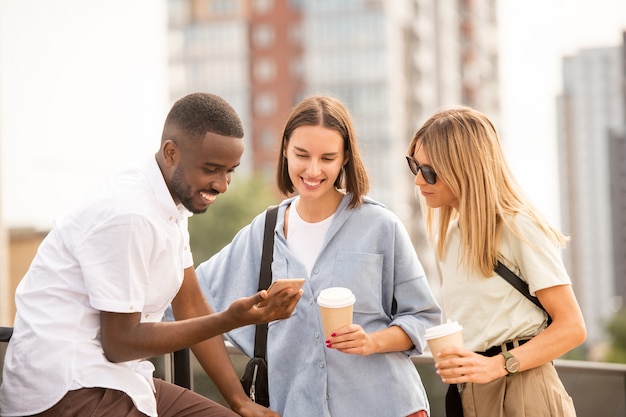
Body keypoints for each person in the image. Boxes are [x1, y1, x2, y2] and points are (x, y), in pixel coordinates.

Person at [0, 93, 302, 417]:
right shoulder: (131, 214)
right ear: (171, 152)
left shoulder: (171, 203)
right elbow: (120, 344)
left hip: (120, 378)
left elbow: (190, 304)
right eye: (212, 169)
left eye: (230, 171)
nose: (223, 185)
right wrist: (231, 319)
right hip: (67, 389)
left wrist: (240, 400)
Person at [196, 95, 442, 417]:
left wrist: (372, 341)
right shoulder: (263, 233)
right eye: (302, 155)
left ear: (345, 159)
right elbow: (191, 298)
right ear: (285, 149)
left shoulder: (380, 226)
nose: (313, 170)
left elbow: (423, 318)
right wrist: (237, 398)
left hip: (387, 406)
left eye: (327, 158)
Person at [406, 106, 587, 417]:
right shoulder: (450, 237)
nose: (418, 181)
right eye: (414, 167)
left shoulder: (518, 226)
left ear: (463, 168)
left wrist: (497, 365)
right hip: (472, 393)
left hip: (524, 388)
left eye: (430, 171)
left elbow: (572, 327)